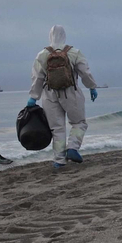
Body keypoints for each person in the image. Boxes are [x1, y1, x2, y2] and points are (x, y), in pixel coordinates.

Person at [26, 26, 98, 170]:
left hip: (49, 94)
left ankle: (59, 160)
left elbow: (37, 78)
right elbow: (85, 72)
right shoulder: (74, 52)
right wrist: (92, 86)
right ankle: (72, 147)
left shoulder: (42, 54)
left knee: (57, 128)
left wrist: (33, 97)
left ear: (50, 36)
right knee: (79, 122)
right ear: (64, 35)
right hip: (71, 92)